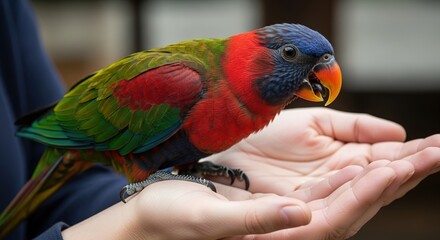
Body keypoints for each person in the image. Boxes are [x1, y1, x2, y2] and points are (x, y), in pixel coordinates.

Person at [1, 0, 440, 239]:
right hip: (88, 140)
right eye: (291, 56)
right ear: (255, 52)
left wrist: (183, 172)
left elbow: (80, 197)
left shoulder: (244, 109)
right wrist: (137, 217)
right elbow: (123, 152)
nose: (315, 71)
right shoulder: (183, 82)